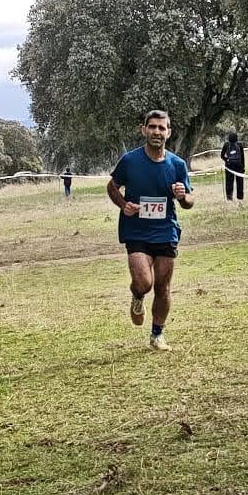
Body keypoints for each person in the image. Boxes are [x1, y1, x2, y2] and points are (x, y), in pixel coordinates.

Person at [108, 109, 194, 350]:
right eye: (152, 127)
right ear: (144, 130)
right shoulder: (130, 161)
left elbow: (189, 202)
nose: (157, 131)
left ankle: (157, 335)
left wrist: (182, 197)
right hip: (136, 230)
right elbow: (112, 187)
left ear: (169, 132)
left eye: (161, 128)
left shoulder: (177, 164)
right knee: (144, 283)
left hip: (165, 230)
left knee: (163, 287)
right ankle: (137, 296)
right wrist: (124, 205)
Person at [221, 131, 247, 203]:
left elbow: (222, 155)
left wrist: (227, 160)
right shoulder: (240, 145)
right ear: (236, 138)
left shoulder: (226, 145)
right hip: (239, 166)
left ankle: (229, 198)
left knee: (229, 182)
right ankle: (240, 198)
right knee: (240, 182)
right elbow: (242, 157)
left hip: (229, 166)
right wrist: (243, 167)